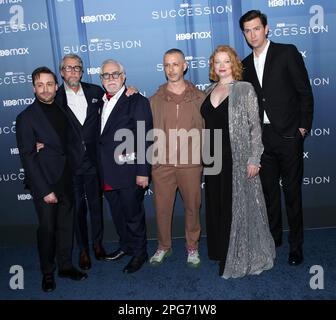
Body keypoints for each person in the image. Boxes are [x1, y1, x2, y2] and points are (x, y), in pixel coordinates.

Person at [239, 10, 314, 266]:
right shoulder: (245, 64)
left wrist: (302, 128)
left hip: (289, 135)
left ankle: (296, 246)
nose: (252, 34)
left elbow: (305, 92)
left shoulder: (287, 52)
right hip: (262, 138)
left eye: (256, 28)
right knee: (269, 194)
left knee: (292, 193)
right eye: (247, 31)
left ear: (266, 28)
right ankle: (273, 239)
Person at [201, 45, 275, 278]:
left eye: (226, 61)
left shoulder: (244, 89)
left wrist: (255, 158)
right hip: (212, 158)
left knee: (234, 207)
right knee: (216, 205)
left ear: (234, 64)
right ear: (213, 66)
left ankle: (234, 255)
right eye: (217, 62)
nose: (221, 66)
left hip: (237, 157)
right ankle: (220, 250)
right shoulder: (208, 89)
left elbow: (255, 126)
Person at [15, 67, 87, 292]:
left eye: (49, 84)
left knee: (66, 226)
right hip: (45, 183)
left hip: (67, 178)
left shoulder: (62, 108)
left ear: (57, 87)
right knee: (47, 229)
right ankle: (48, 273)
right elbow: (28, 157)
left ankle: (65, 266)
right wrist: (45, 189)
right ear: (33, 88)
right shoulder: (26, 118)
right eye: (40, 85)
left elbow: (70, 142)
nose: (45, 89)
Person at [149, 48, 205, 267]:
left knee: (192, 206)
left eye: (175, 64)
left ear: (184, 66)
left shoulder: (200, 97)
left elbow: (209, 129)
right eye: (167, 65)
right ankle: (164, 246)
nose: (171, 69)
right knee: (162, 208)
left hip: (191, 165)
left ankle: (192, 247)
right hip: (162, 165)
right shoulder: (154, 100)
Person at [97, 59, 153, 273]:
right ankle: (126, 246)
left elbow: (145, 137)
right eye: (106, 75)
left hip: (129, 172)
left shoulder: (136, 101)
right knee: (118, 214)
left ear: (123, 76)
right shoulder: (99, 102)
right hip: (107, 173)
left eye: (115, 74)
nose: (110, 79)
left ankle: (140, 253)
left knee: (132, 215)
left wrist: (142, 171)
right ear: (101, 79)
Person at [55, 54, 106, 270]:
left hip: (94, 162)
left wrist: (130, 90)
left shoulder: (96, 92)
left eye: (77, 67)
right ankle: (83, 249)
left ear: (82, 71)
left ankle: (97, 244)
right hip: (71, 164)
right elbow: (41, 121)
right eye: (68, 68)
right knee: (78, 210)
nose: (73, 71)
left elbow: (116, 103)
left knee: (96, 206)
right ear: (62, 72)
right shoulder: (54, 97)